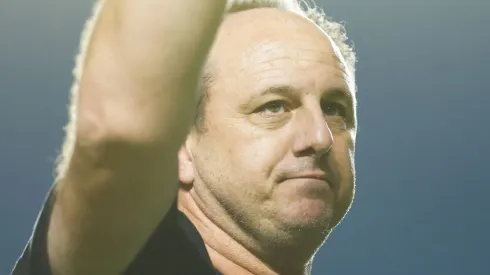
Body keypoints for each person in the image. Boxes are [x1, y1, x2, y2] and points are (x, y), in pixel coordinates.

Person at [11, 0, 358, 274]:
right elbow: (118, 132)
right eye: (273, 107)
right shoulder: (131, 259)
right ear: (179, 147)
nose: (320, 135)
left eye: (334, 108)